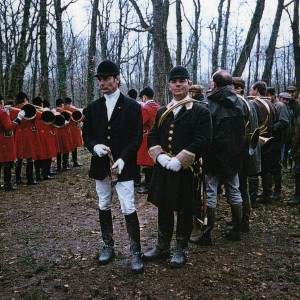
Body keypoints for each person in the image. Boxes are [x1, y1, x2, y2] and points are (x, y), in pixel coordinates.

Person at [143, 66, 212, 268]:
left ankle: (181, 248)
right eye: (174, 81)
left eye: (182, 80)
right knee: (164, 207)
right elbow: (153, 136)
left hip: (187, 170)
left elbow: (203, 140)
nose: (178, 84)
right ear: (169, 86)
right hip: (164, 168)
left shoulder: (200, 110)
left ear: (190, 84)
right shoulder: (163, 111)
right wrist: (161, 157)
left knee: (185, 209)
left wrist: (180, 160)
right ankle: (162, 246)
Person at [82, 60, 144, 274]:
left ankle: (136, 252)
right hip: (100, 164)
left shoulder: (132, 107)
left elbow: (137, 137)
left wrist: (125, 158)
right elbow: (86, 135)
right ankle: (108, 246)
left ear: (118, 79)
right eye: (100, 79)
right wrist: (94, 146)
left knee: (128, 206)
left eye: (107, 78)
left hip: (123, 165)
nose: (103, 83)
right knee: (104, 203)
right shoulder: (92, 108)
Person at [191, 70, 246, 244]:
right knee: (235, 192)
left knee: (210, 194)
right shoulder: (240, 103)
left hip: (214, 157)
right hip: (234, 156)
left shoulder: (209, 104)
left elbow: (206, 134)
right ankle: (236, 230)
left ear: (214, 84)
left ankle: (206, 234)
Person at [10, 92, 41, 185]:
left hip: (18, 135)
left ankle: (18, 179)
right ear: (25, 99)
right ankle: (30, 179)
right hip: (27, 134)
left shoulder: (13, 110)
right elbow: (39, 116)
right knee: (29, 157)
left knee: (19, 158)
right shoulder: (28, 108)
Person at [136, 86, 160, 194]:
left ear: (144, 97)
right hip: (157, 137)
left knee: (147, 163)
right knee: (153, 161)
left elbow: (139, 123)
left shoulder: (145, 108)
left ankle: (148, 185)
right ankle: (152, 183)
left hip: (146, 137)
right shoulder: (158, 106)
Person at [0, 95, 25, 190]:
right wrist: (19, 118)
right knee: (7, 162)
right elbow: (8, 126)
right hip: (4, 140)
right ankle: (7, 184)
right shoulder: (2, 112)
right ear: (1, 102)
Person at [64, 97, 83, 167]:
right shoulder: (74, 109)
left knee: (66, 146)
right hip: (74, 129)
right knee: (74, 146)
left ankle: (65, 162)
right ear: (71, 102)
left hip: (65, 129)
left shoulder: (63, 109)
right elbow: (80, 117)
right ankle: (75, 161)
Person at [55, 98, 74, 172]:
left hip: (57, 132)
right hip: (64, 132)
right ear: (62, 104)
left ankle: (59, 166)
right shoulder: (64, 112)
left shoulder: (54, 111)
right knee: (65, 149)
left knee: (59, 150)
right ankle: (65, 165)